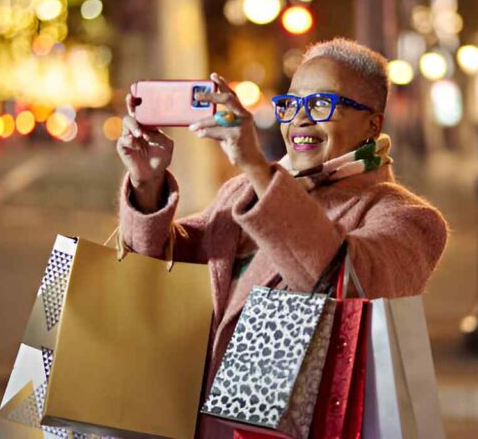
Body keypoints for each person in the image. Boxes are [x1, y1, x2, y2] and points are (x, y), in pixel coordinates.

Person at [116, 37, 448, 438]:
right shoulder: (241, 192)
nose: (300, 120)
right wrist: (146, 184)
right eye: (291, 105)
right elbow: (158, 272)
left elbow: (346, 283)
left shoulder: (408, 217)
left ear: (372, 123)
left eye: (322, 105)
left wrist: (256, 165)